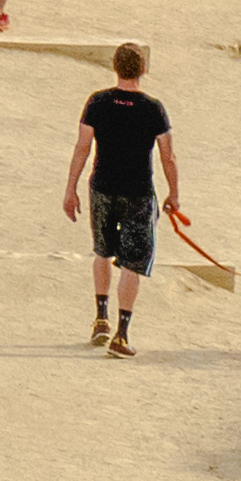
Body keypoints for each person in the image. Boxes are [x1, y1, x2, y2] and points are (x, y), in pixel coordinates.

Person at [64, 43, 188, 355]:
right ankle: (121, 334)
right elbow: (168, 157)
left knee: (102, 252)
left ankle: (100, 318)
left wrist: (70, 188)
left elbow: (82, 147)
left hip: (102, 188)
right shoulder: (153, 108)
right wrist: (174, 195)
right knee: (131, 265)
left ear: (115, 67)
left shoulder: (97, 102)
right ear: (143, 69)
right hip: (138, 194)